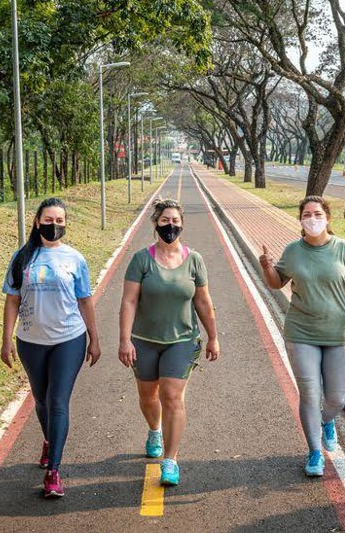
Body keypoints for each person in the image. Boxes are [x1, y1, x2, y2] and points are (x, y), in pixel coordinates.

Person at [259, 195, 345, 477]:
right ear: (301, 220)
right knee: (309, 393)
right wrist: (267, 266)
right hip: (301, 332)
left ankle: (327, 421)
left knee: (337, 398)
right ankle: (315, 452)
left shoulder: (343, 249)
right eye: (307, 214)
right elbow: (277, 283)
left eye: (317, 214)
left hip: (338, 333)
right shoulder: (293, 251)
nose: (312, 219)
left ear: (327, 218)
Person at [1, 198, 101, 499]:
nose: (54, 225)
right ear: (37, 221)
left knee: (58, 401)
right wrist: (6, 338)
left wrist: (94, 338)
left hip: (69, 339)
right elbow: (12, 300)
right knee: (41, 401)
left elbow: (84, 300)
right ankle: (49, 440)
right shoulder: (22, 257)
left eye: (59, 221)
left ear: (65, 224)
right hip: (31, 341)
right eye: (48, 220)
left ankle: (53, 471)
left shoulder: (75, 259)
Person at [118, 198, 220, 486]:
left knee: (172, 397)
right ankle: (154, 429)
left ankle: (171, 460)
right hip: (145, 341)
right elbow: (128, 301)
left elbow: (203, 301)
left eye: (175, 221)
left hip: (183, 340)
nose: (170, 226)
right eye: (165, 221)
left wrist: (213, 337)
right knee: (148, 396)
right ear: (156, 223)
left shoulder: (194, 260)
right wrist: (125, 340)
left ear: (182, 224)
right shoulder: (141, 259)